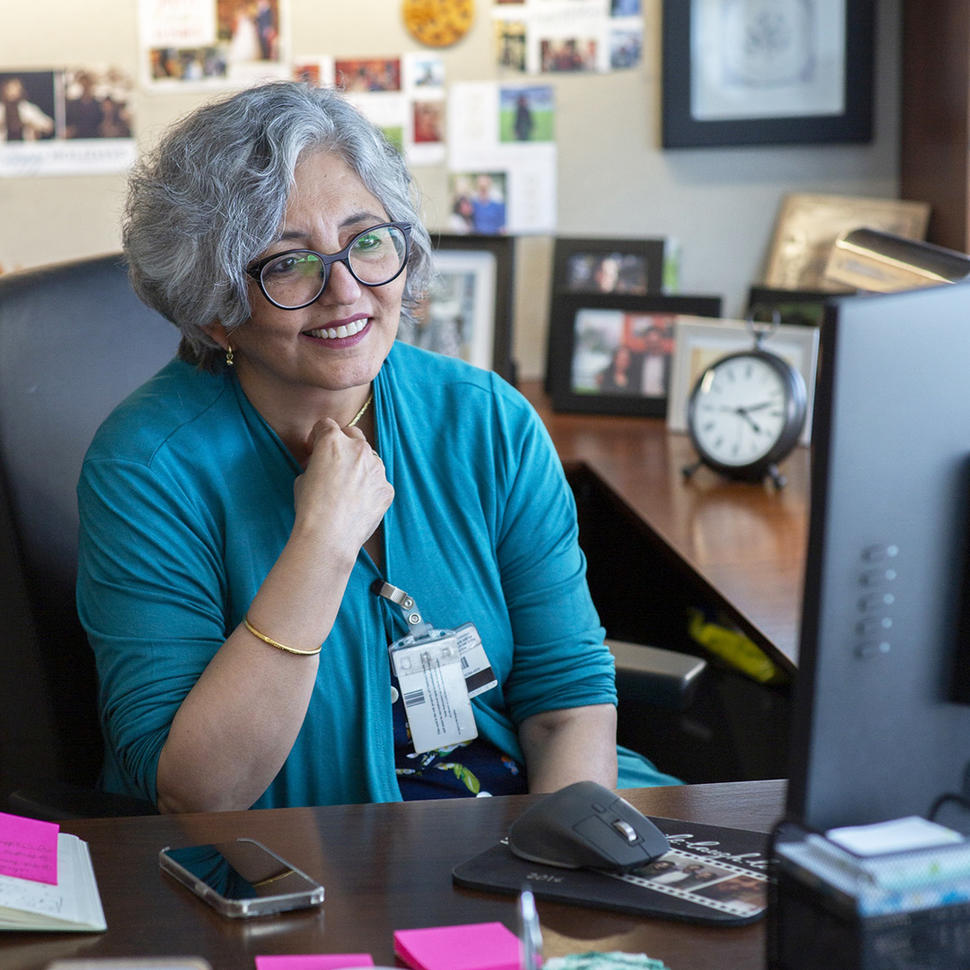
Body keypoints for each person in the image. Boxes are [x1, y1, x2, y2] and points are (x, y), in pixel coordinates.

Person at [77, 81, 678, 814]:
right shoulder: (147, 468)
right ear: (215, 314)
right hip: (305, 864)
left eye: (366, 241)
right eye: (289, 262)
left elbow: (566, 697)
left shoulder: (488, 422)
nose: (347, 290)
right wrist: (322, 544)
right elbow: (200, 792)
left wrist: (561, 863)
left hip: (532, 816)